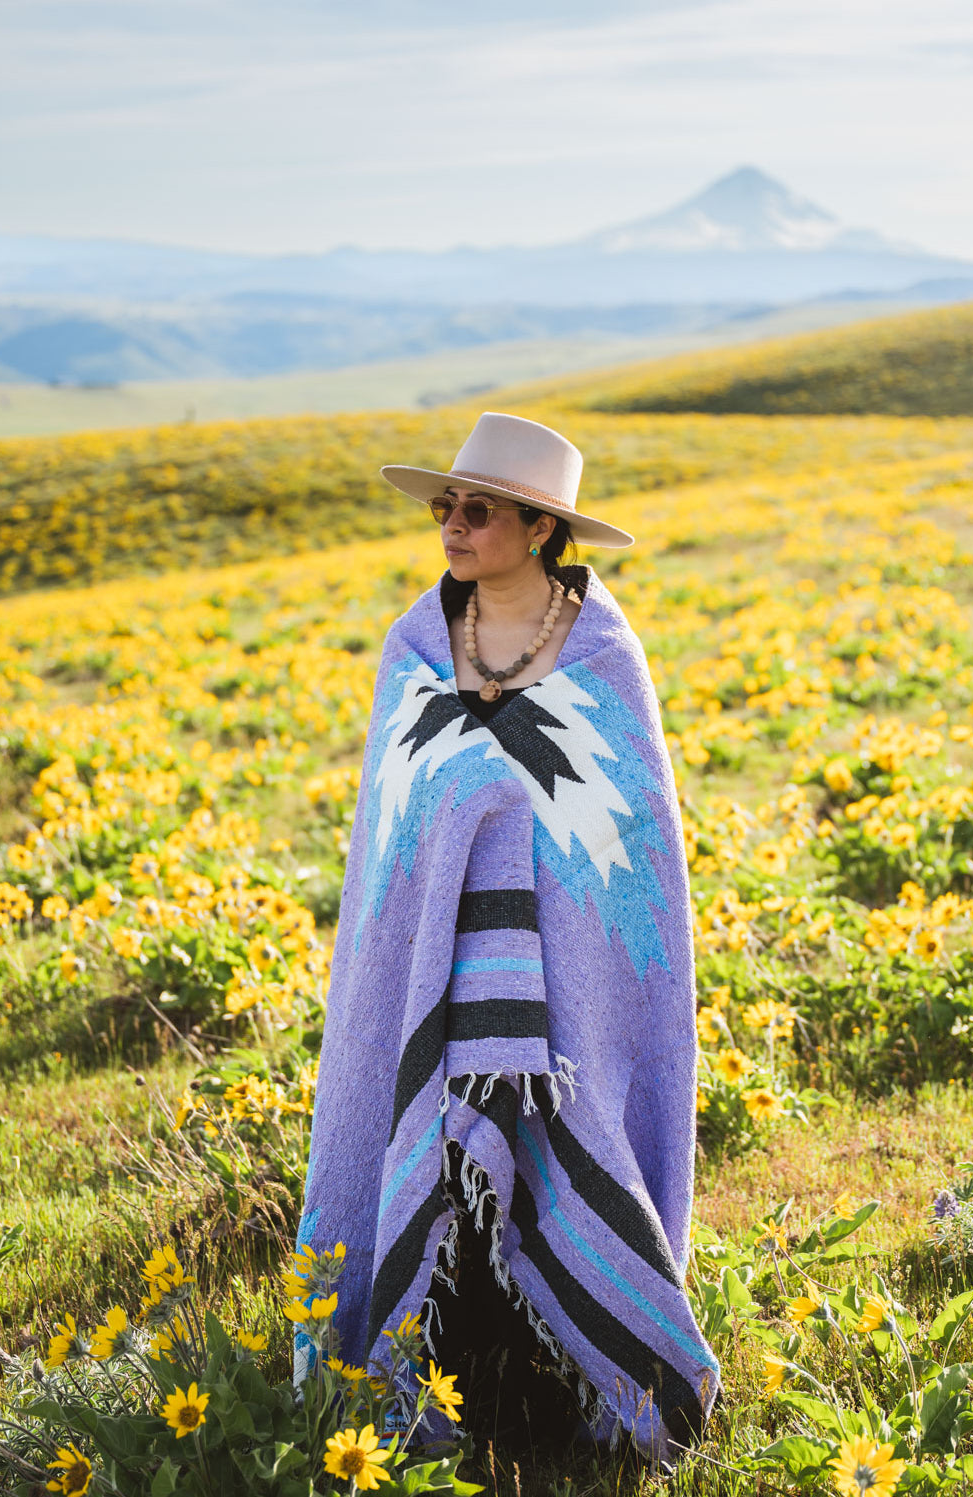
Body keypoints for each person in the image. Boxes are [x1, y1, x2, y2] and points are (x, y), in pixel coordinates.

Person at [295, 412, 718, 1461]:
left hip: (566, 994)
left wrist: (500, 794)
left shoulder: (605, 658)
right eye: (446, 505)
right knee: (420, 1143)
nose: (452, 523)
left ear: (539, 528)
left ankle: (573, 1367)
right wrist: (480, 789)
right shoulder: (413, 648)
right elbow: (395, 836)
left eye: (478, 509)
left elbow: (627, 856)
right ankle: (426, 1360)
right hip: (427, 976)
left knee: (568, 1128)